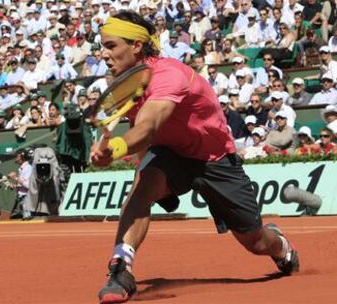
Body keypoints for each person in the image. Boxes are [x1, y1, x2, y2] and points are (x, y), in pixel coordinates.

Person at [92, 12, 299, 304]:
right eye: (102, 46)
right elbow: (142, 131)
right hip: (172, 154)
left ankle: (282, 247)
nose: (104, 54)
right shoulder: (123, 84)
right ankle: (120, 270)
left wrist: (113, 149)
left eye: (111, 46)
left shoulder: (169, 75)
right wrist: (146, 173)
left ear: (136, 45)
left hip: (213, 159)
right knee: (142, 186)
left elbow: (148, 124)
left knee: (256, 242)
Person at [8, 150, 33, 220]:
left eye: (17, 156)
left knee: (27, 219)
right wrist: (13, 186)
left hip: (26, 199)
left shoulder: (28, 168)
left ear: (23, 157)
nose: (15, 158)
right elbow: (22, 185)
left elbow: (28, 185)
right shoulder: (22, 169)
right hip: (21, 199)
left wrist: (15, 178)